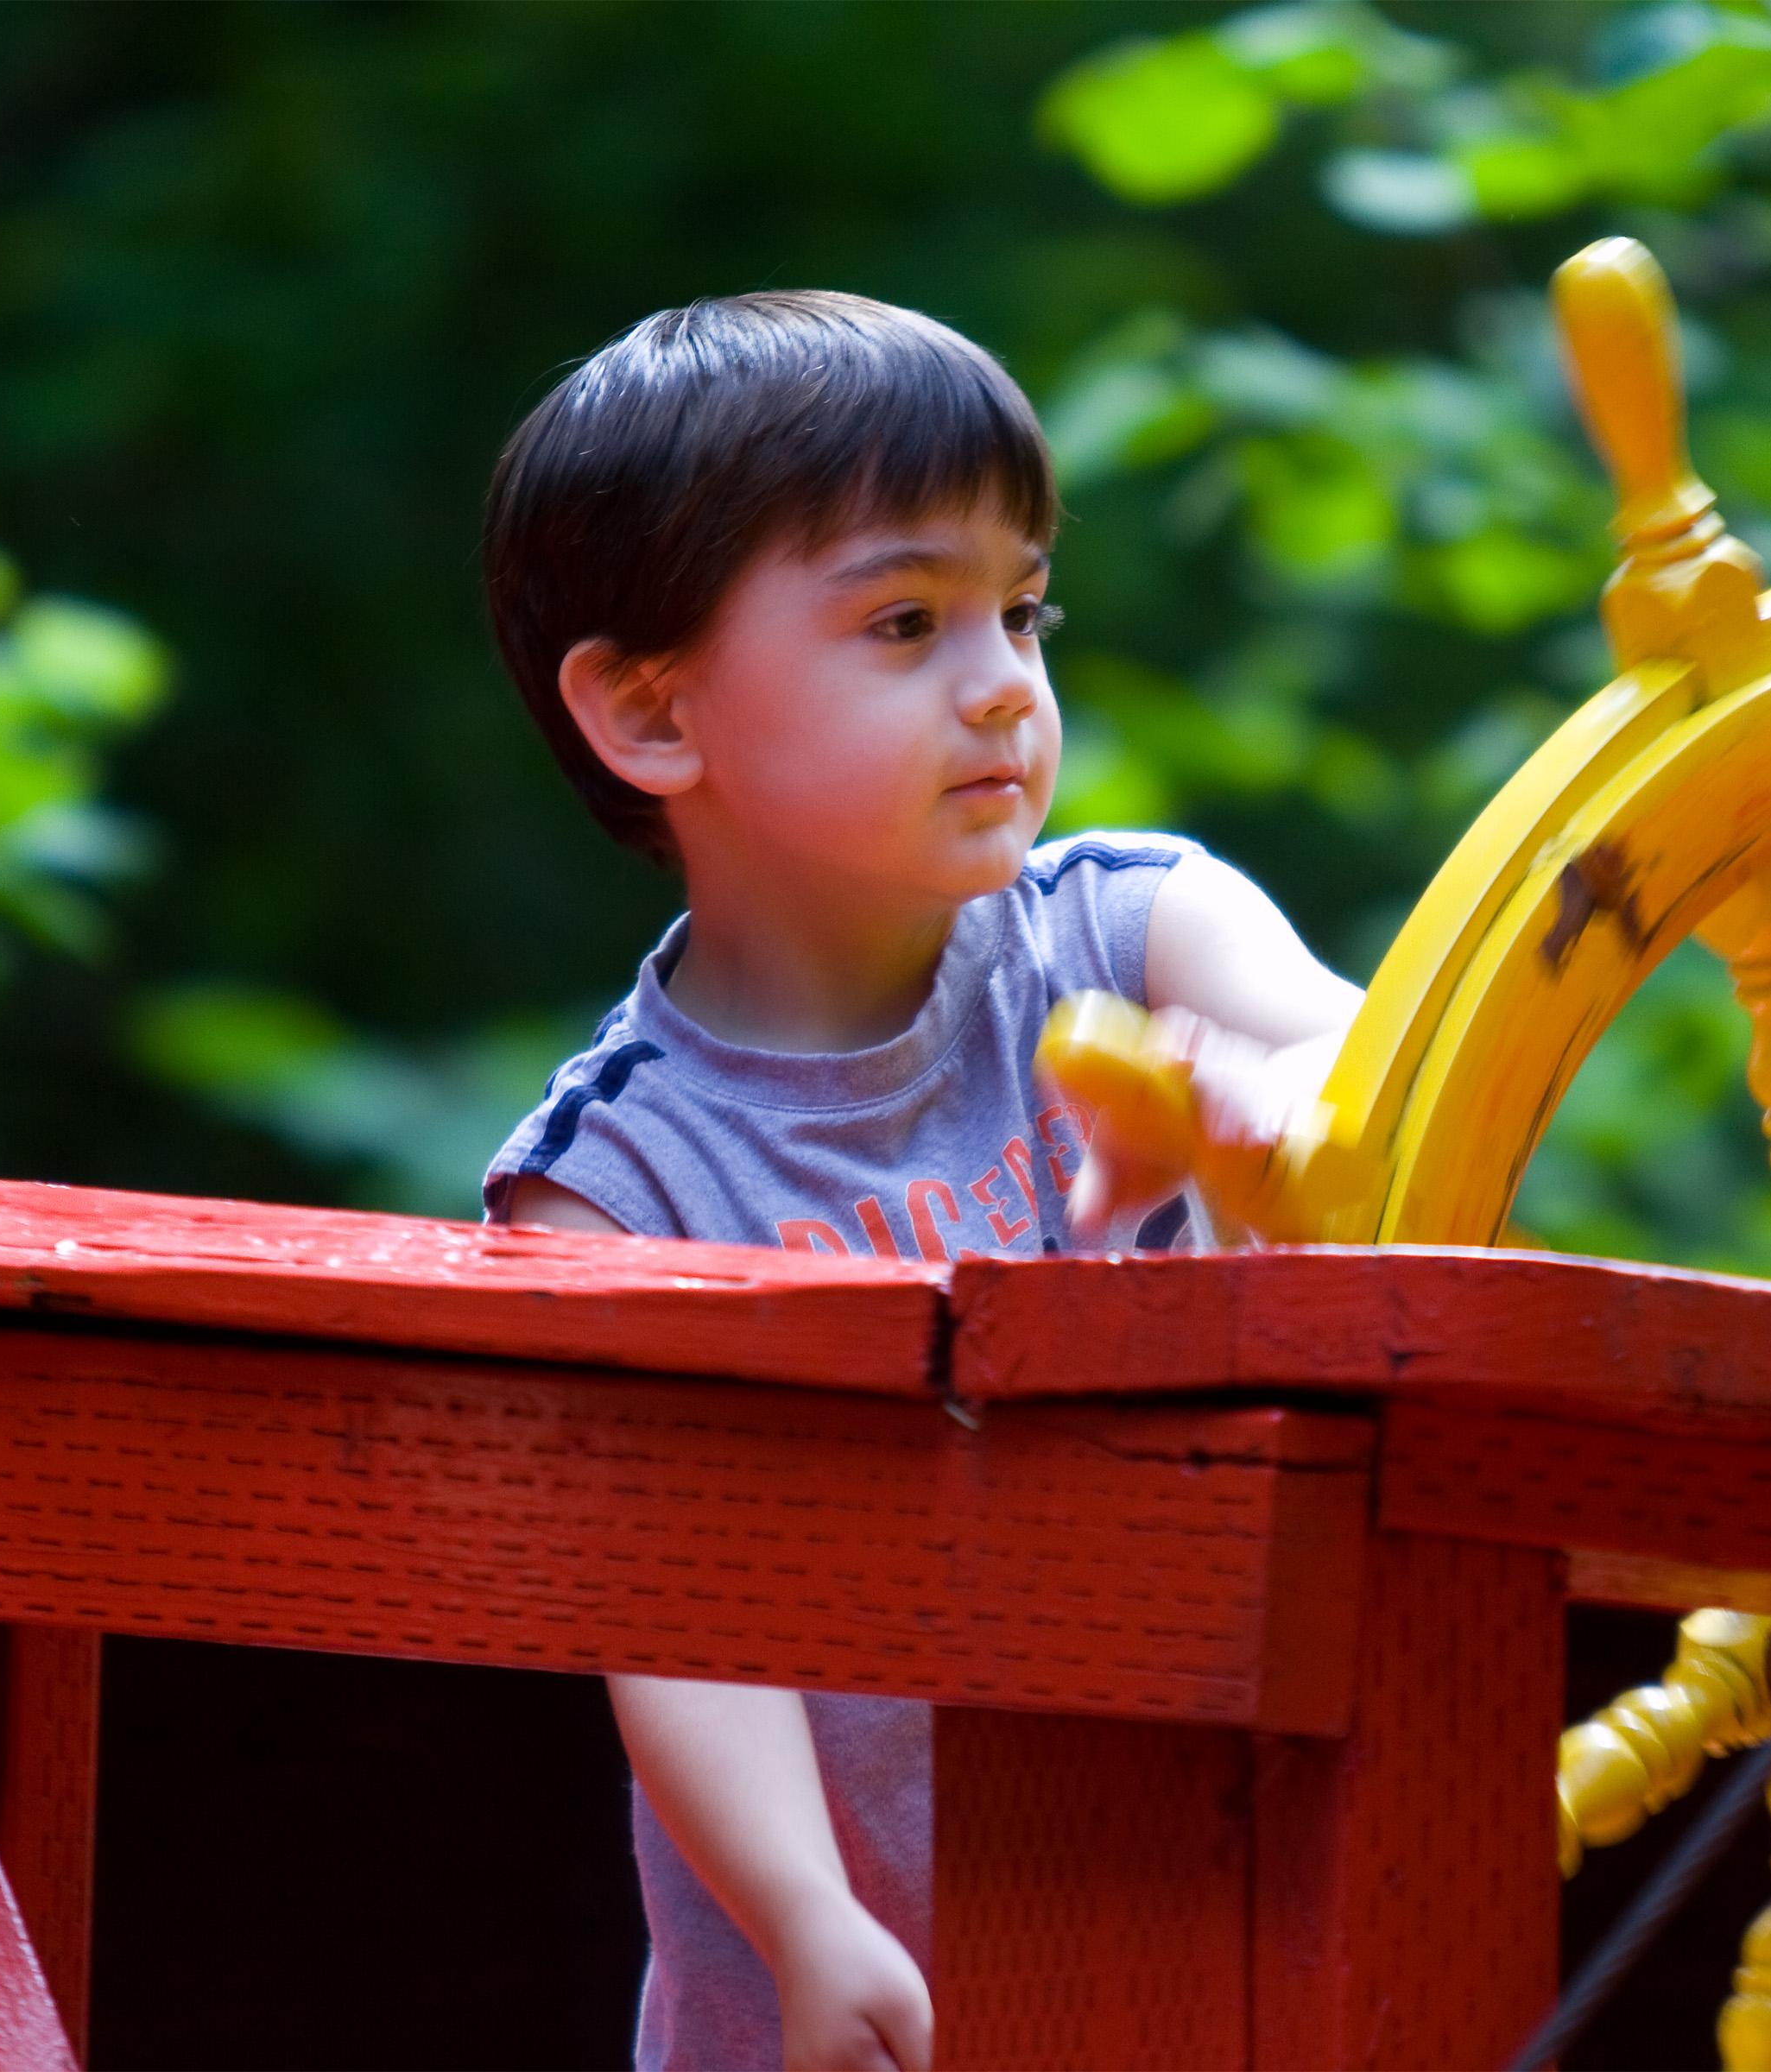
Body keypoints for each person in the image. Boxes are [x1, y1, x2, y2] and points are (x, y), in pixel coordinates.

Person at [477, 290, 1357, 2072]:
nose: (1004, 683)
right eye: (908, 619)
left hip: (1197, 1939)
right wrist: (810, 1917)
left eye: (1024, 610)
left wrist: (1246, 1103)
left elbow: (1377, 1063)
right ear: (652, 714)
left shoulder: (1137, 925)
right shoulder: (616, 1183)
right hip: (852, 2009)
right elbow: (674, 1612)